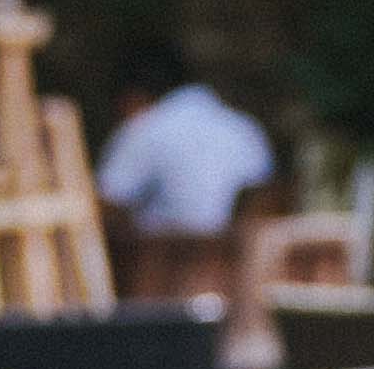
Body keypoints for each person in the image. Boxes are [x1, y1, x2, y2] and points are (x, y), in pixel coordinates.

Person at [95, 57, 278, 249]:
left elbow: (105, 204)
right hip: (244, 259)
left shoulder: (147, 126)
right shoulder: (245, 126)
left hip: (173, 262)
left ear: (132, 96)